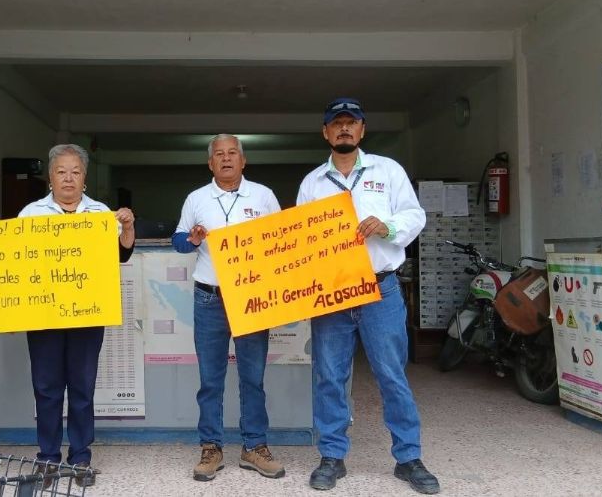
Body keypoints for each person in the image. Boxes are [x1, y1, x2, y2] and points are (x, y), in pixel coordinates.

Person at [297, 99, 438, 494]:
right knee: (329, 376)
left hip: (381, 288)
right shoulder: (312, 183)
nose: (344, 129)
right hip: (333, 294)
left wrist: (387, 226)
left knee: (392, 375)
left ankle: (408, 458)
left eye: (351, 123)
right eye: (336, 123)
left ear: (362, 130)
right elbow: (301, 243)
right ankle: (331, 456)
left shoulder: (388, 171)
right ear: (325, 133)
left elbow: (415, 216)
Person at [18, 143, 135, 488]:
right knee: (47, 388)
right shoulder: (31, 214)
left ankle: (81, 457)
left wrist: (127, 227)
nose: (68, 178)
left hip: (87, 314)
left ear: (84, 178)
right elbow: (19, 263)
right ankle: (48, 458)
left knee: (82, 387)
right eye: (61, 171)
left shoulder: (101, 213)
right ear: (50, 177)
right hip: (44, 315)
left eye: (75, 172)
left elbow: (121, 256)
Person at [172, 134, 286, 482]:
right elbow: (178, 241)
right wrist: (190, 239)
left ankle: (255, 446)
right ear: (210, 163)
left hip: (251, 298)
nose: (225, 159)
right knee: (211, 379)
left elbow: (282, 241)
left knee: (253, 377)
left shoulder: (264, 196)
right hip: (210, 297)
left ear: (243, 160)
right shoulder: (196, 198)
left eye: (232, 153)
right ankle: (211, 447)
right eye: (218, 154)